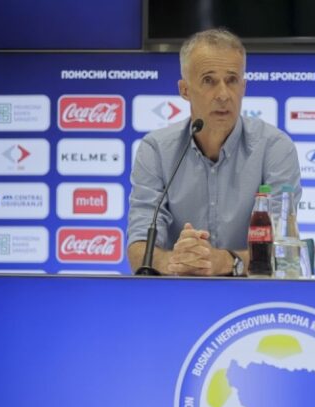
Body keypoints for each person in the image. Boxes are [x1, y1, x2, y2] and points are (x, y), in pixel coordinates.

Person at [127, 28, 301, 276]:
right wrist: (174, 261)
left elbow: (282, 251)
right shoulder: (156, 150)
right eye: (209, 80)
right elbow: (139, 247)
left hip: (253, 294)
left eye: (232, 80)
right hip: (178, 292)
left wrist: (226, 262)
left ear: (243, 87)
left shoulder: (275, 148)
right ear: (184, 90)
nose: (223, 95)